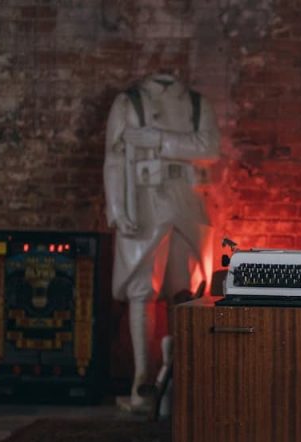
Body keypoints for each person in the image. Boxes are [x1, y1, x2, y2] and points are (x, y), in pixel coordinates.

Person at [103, 72, 220, 411]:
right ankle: (142, 380)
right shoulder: (129, 102)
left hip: (186, 200)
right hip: (143, 199)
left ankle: (177, 377)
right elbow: (114, 159)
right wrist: (116, 208)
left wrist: (156, 138)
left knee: (182, 289)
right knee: (142, 288)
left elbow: (210, 147)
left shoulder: (197, 104)